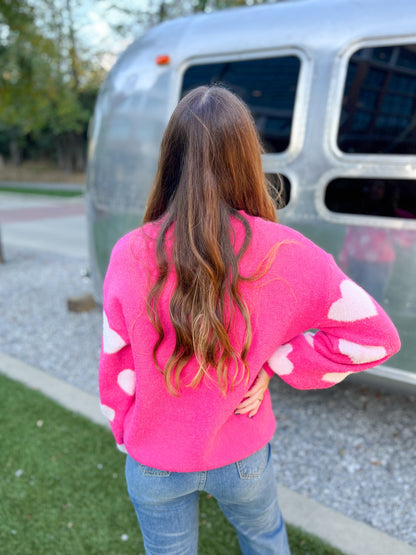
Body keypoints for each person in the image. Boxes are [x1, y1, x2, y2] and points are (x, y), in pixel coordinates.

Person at [98, 86, 400, 555]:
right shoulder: (287, 251)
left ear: (170, 159)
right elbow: (374, 337)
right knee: (264, 541)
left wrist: (126, 435)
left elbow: (116, 363)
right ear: (246, 157)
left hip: (154, 458)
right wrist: (277, 360)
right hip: (242, 454)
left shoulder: (129, 253)